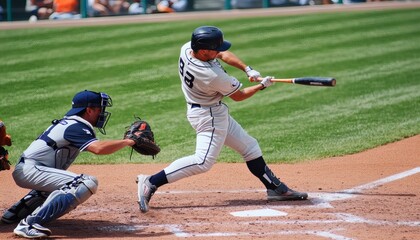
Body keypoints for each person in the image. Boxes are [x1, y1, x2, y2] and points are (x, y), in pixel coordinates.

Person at [136, 26, 308, 213]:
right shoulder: (211, 75)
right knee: (202, 162)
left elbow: (223, 54)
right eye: (214, 48)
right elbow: (239, 96)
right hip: (208, 116)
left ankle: (275, 189)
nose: (218, 51)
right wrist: (262, 85)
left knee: (250, 147)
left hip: (205, 109)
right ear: (203, 51)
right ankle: (151, 181)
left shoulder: (188, 48)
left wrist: (247, 69)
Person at [1, 90, 135, 238]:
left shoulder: (72, 123)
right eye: (99, 110)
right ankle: (29, 223)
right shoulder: (75, 126)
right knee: (85, 183)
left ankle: (16, 212)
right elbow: (98, 149)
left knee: (64, 184)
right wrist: (129, 142)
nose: (102, 114)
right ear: (89, 110)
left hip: (31, 169)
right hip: (31, 170)